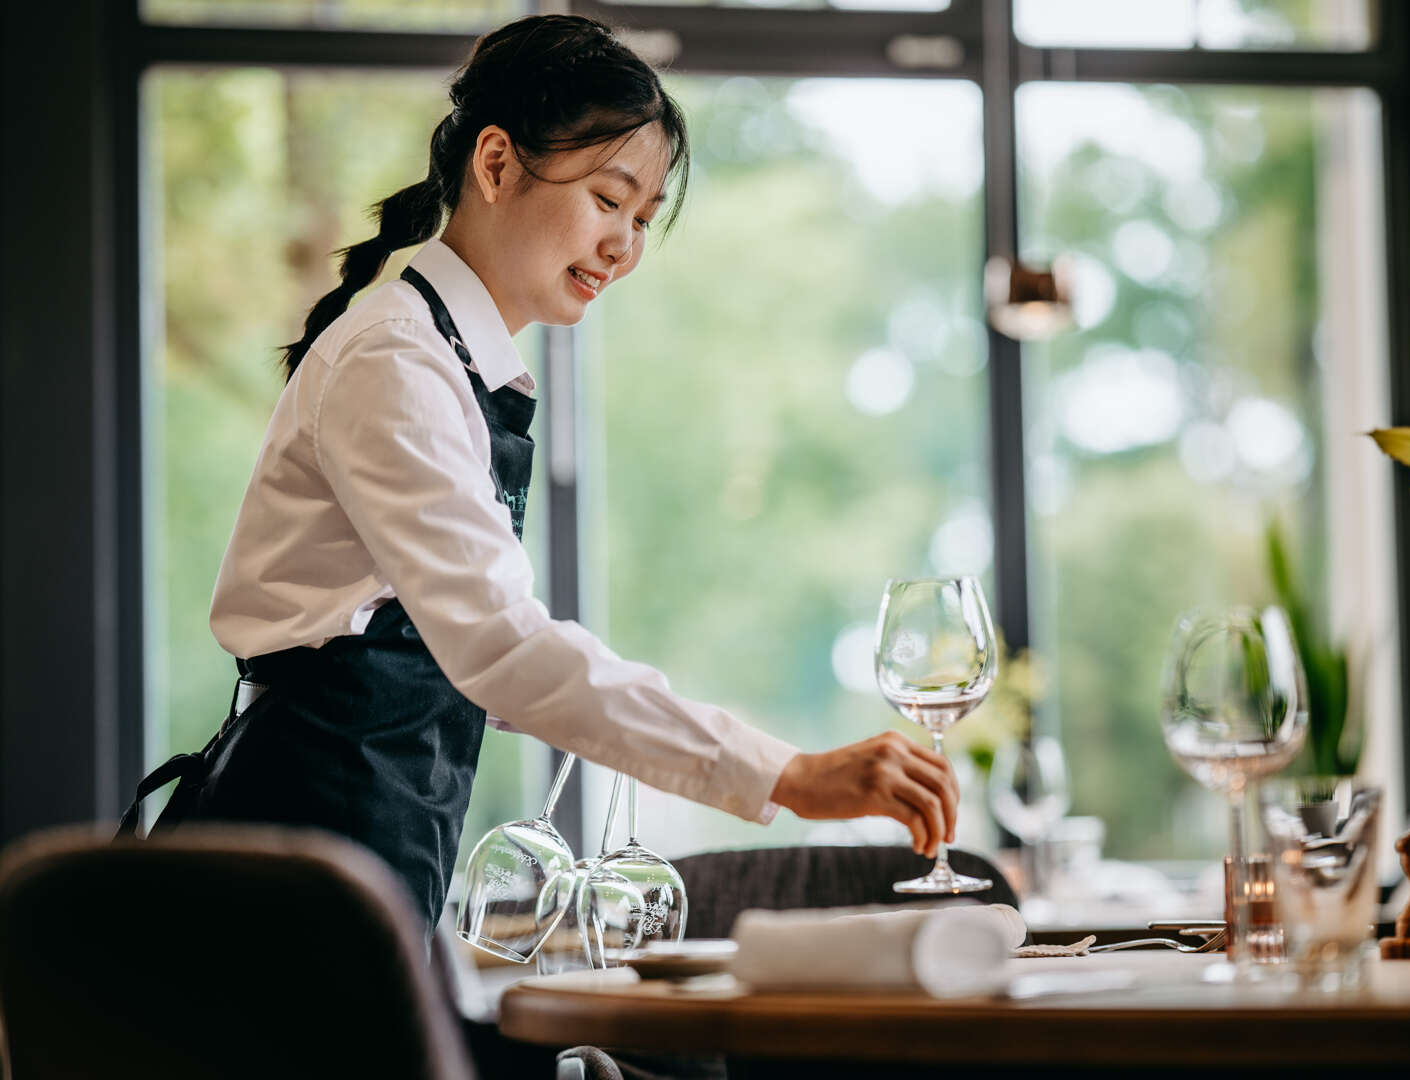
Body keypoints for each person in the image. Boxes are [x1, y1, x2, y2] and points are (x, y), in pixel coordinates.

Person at [120, 13, 959, 938]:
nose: (625, 246)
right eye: (608, 199)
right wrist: (785, 775)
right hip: (293, 873)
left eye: (642, 220)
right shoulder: (395, 359)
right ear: (495, 164)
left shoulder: (453, 367)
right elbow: (504, 652)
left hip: (350, 856)